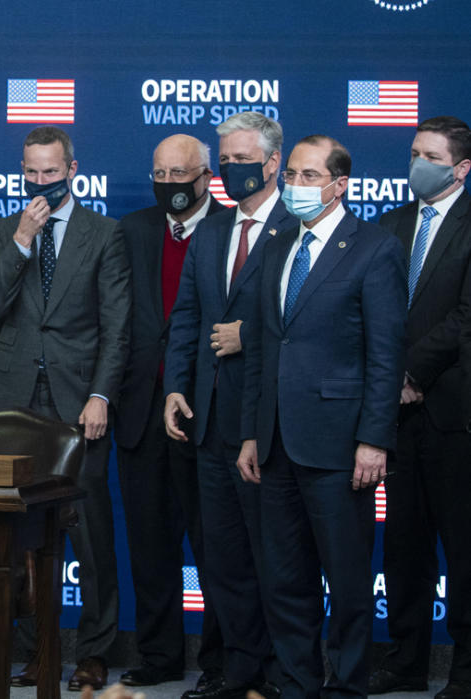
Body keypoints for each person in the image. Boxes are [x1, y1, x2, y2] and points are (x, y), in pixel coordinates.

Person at [237, 135, 406, 699]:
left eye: (310, 177)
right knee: (285, 580)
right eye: (291, 174)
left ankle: (346, 687)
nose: (296, 186)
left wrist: (373, 440)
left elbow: (386, 355)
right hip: (276, 441)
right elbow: (263, 346)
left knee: (349, 579)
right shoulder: (280, 241)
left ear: (341, 185)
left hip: (340, 445)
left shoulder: (374, 248)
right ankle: (296, 682)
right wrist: (250, 434)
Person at [0, 125, 130, 690]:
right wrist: (20, 241)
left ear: (72, 167)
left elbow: (117, 328)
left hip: (78, 400)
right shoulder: (1, 230)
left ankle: (94, 651)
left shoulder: (104, 233)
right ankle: (34, 649)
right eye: (32, 172)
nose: (42, 181)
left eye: (51, 170)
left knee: (88, 532)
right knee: (18, 535)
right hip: (11, 399)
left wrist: (100, 394)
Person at [164, 111, 294, 699]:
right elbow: (188, 315)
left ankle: (282, 674)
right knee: (224, 561)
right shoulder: (212, 230)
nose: (231, 169)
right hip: (210, 421)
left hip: (270, 423)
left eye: (244, 159)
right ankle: (237, 671)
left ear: (273, 162)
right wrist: (175, 387)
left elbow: (317, 323)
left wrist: (254, 333)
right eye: (226, 160)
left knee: (277, 561)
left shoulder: (298, 229)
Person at [114, 134, 224, 691]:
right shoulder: (132, 230)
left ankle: (219, 662)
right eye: (161, 175)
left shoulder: (233, 231)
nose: (171, 185)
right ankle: (159, 656)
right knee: (151, 547)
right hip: (140, 410)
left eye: (182, 174)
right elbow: (114, 322)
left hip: (208, 412)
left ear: (207, 176)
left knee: (214, 545)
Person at [371, 116, 471, 699]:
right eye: (413, 152)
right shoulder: (391, 225)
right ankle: (404, 660)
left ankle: (464, 670)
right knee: (403, 546)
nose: (417, 164)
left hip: (453, 414)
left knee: (462, 548)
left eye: (430, 155)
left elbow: (464, 316)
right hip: (395, 415)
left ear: (460, 168)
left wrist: (411, 371)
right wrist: (390, 377)